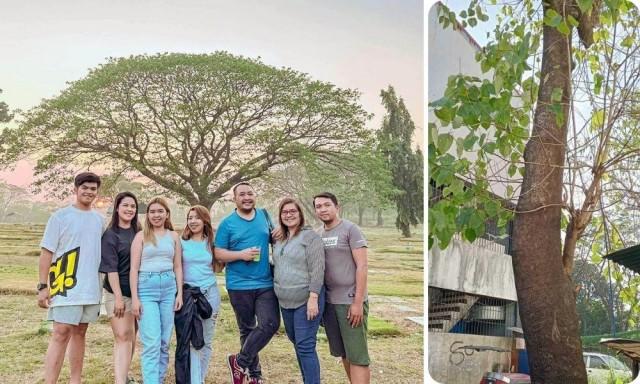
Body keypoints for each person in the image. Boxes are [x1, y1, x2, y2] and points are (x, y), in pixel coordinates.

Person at [37, 172, 104, 384]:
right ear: (75, 189)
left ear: (97, 192)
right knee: (60, 332)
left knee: (80, 332)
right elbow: (47, 252)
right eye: (84, 187)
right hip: (65, 283)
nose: (89, 192)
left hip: (91, 286)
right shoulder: (60, 217)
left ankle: (76, 380)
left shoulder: (100, 220)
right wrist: (42, 285)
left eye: (93, 189)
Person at [215, 182, 280, 384]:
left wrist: (278, 233)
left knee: (270, 324)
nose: (246, 197)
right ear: (234, 199)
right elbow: (218, 253)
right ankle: (255, 375)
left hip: (264, 283)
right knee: (247, 329)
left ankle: (239, 361)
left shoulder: (264, 215)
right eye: (241, 194)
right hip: (238, 285)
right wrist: (240, 254)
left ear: (255, 196)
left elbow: (272, 236)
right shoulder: (227, 223)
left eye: (250, 193)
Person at [314, 192, 371, 384]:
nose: (323, 209)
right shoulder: (318, 234)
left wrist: (357, 302)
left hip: (350, 301)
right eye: (319, 206)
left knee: (358, 355)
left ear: (337, 207)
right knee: (344, 353)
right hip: (330, 303)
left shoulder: (350, 229)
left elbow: (362, 266)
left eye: (327, 205)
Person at [130, 196, 183, 384]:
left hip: (169, 289)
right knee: (151, 342)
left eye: (160, 211)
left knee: (163, 342)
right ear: (148, 215)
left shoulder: (173, 236)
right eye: (152, 211)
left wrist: (180, 294)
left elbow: (178, 266)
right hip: (146, 289)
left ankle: (158, 379)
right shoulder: (140, 236)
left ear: (167, 213)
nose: (156, 215)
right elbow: (134, 268)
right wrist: (135, 299)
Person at [273, 198, 325, 384]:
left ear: (300, 214)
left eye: (292, 211)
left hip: (306, 299)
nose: (289, 215)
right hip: (286, 302)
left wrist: (313, 298)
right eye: (285, 212)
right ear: (280, 216)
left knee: (305, 346)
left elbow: (317, 270)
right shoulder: (280, 238)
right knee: (297, 343)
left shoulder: (310, 238)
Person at [100, 191, 141, 384]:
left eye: (133, 206)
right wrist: (117, 297)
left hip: (138, 293)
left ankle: (124, 375)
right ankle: (120, 381)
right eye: (125, 205)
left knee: (131, 336)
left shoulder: (139, 231)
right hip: (117, 292)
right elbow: (110, 268)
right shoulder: (111, 234)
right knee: (122, 335)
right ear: (117, 208)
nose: (129, 209)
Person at [177, 205, 221, 384]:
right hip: (188, 296)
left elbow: (220, 264)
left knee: (206, 340)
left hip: (209, 295)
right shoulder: (181, 242)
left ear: (205, 220)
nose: (193, 221)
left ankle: (200, 378)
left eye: (196, 217)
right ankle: (194, 380)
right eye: (190, 217)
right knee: (192, 339)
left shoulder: (212, 242)